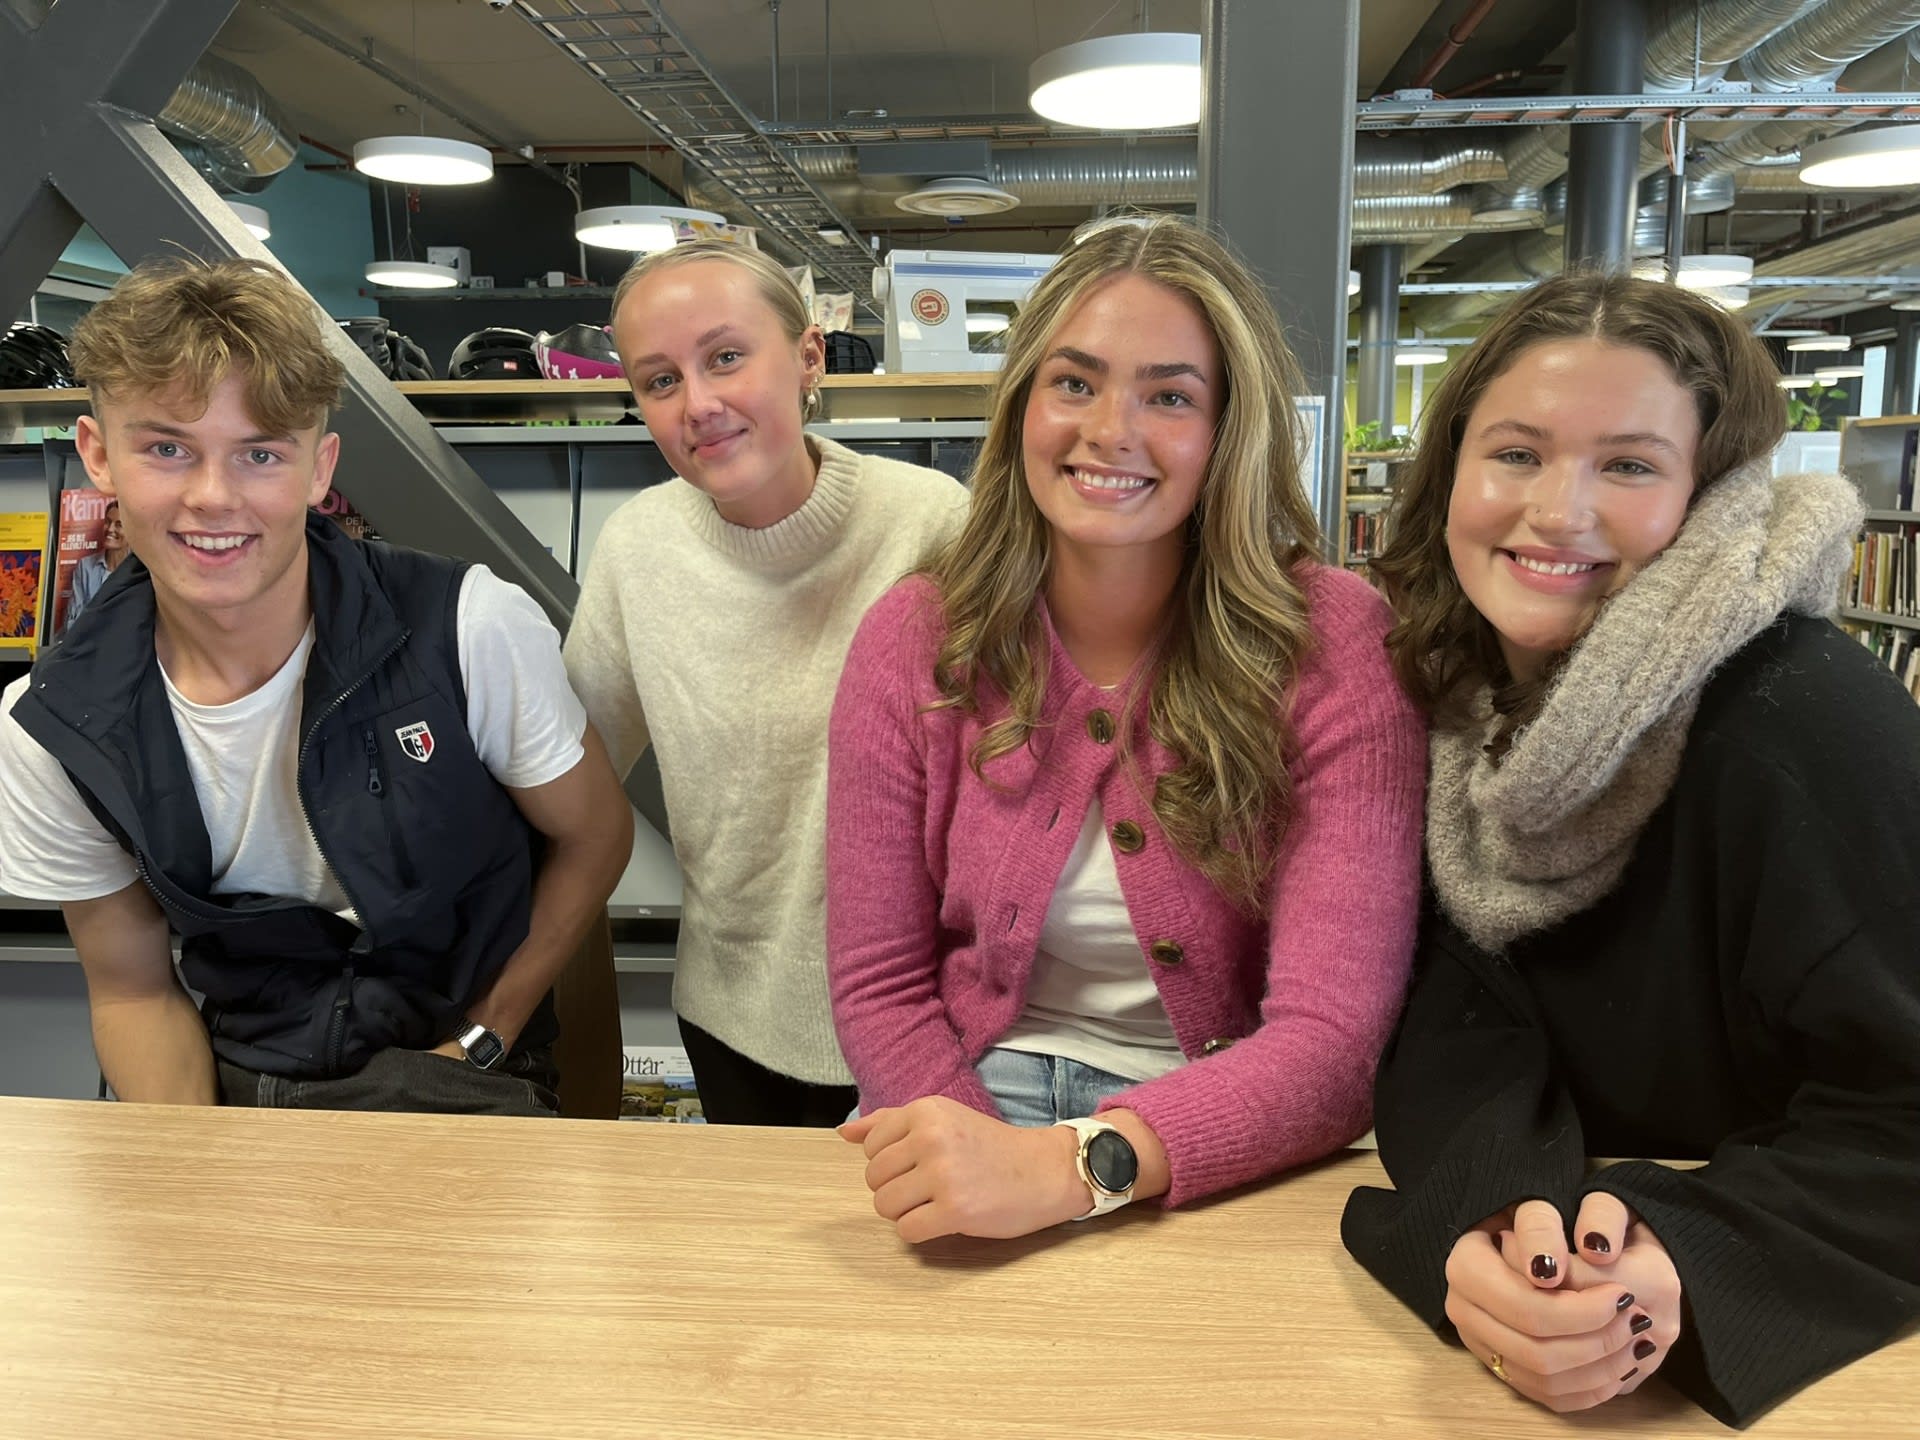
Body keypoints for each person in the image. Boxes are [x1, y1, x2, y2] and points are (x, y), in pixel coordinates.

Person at [1339, 272, 1920, 1425]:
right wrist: (1492, 1216)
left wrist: (1685, 1263)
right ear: (1449, 473)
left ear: (1713, 494)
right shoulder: (1452, 700)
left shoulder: (1805, 719)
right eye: (1516, 453)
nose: (1559, 511)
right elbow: (1457, 1017)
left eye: (1630, 466)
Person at [826, 215, 1426, 1242]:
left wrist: (1067, 1172)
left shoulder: (1333, 644)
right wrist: (980, 1161)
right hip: (968, 1094)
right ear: (1023, 405)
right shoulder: (916, 635)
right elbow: (878, 985)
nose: (1111, 430)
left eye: (1170, 396)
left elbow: (1334, 1043)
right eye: (1075, 382)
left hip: (1234, 1124)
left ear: (1229, 429)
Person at [0, 256, 633, 1114]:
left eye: (260, 453)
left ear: (320, 469)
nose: (212, 497)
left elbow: (595, 834)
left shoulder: (467, 627)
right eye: (167, 448)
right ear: (97, 455)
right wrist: (200, 1165)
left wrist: (482, 1041)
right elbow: (133, 993)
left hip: (468, 1069)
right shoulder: (52, 726)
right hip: (237, 1079)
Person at [563, 239, 967, 1126]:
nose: (698, 404)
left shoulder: (935, 523)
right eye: (660, 380)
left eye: (726, 358)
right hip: (734, 1016)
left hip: (931, 1019)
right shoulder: (638, 549)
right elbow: (570, 772)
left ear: (809, 357)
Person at [65, 499, 129, 623]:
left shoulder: (141, 570)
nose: (110, 529)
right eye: (108, 522)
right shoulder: (85, 566)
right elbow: (74, 619)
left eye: (119, 524)